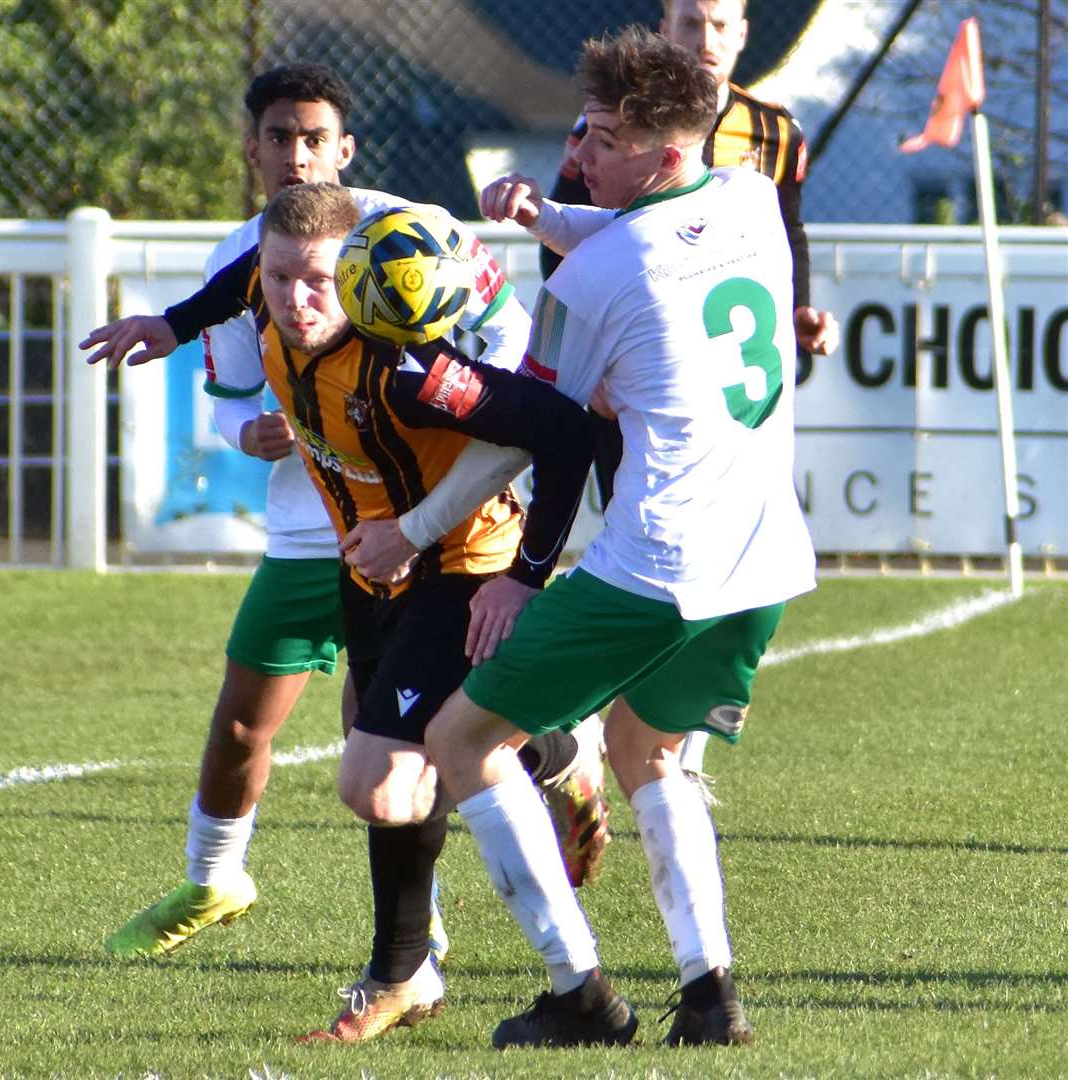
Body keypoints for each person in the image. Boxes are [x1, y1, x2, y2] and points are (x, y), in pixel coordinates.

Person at [81, 64, 607, 1030]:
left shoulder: (403, 364)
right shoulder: (266, 293)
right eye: (278, 280)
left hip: (456, 561)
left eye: (316, 281)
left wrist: (524, 576)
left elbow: (560, 431)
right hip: (367, 564)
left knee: (380, 775)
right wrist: (169, 323)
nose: (293, 298)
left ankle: (574, 969)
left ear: (356, 277)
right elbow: (232, 287)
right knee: (394, 771)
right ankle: (406, 971)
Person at [423, 26, 816, 1049]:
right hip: (763, 554)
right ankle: (708, 993)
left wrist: (430, 385)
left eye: (599, 140)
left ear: (665, 153)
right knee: (648, 751)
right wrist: (552, 214)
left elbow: (539, 423)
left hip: (657, 564)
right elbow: (644, 239)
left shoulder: (589, 282)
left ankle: (578, 993)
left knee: (459, 741)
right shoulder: (748, 199)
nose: (576, 155)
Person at [545, 0, 835, 780]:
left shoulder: (772, 138)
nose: (703, 40)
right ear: (662, 35)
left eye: (718, 24)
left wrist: (797, 314)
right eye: (687, 23)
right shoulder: (728, 183)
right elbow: (609, 233)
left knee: (472, 730)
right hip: (654, 401)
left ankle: (592, 747)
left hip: (704, 419)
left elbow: (780, 238)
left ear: (744, 36)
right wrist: (546, 219)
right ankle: (626, 752)